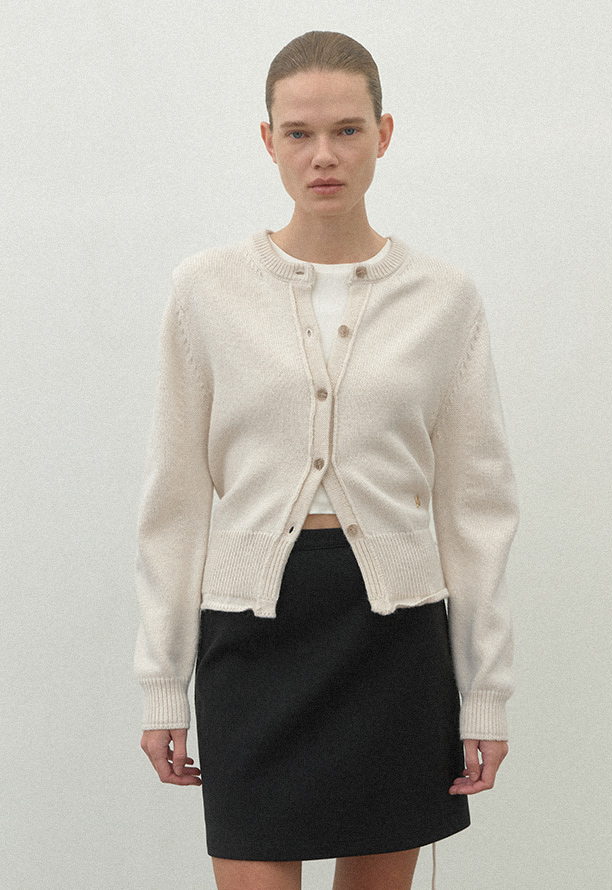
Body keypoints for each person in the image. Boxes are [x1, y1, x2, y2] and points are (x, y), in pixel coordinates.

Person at [134, 30, 519, 890]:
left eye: (347, 130)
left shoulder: (445, 299)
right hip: (250, 635)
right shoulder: (204, 291)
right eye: (299, 133)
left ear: (385, 133)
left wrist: (485, 692)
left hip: (394, 642)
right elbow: (175, 500)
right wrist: (162, 680)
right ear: (267, 140)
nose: (324, 155)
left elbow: (476, 508)